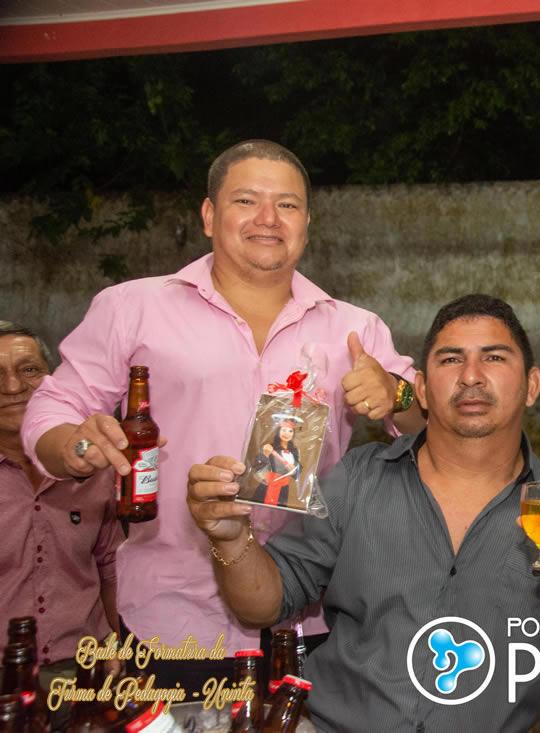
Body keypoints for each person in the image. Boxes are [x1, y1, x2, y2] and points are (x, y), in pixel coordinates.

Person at [21, 140, 424, 690]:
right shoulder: (133, 308)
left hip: (310, 616)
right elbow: (53, 407)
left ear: (307, 223)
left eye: (287, 204)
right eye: (246, 201)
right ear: (209, 216)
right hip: (173, 620)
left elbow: (427, 422)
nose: (268, 218)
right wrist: (75, 447)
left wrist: (396, 393)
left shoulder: (353, 327)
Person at [187, 294, 540, 731]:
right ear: (421, 389)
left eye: (493, 357)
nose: (471, 376)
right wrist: (231, 538)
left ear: (532, 386)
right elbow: (263, 605)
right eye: (450, 360)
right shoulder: (358, 479)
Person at [0, 321, 123, 685]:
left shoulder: (92, 466)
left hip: (86, 668)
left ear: (54, 383)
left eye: (29, 370)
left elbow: (110, 565)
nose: (13, 387)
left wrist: (118, 646)